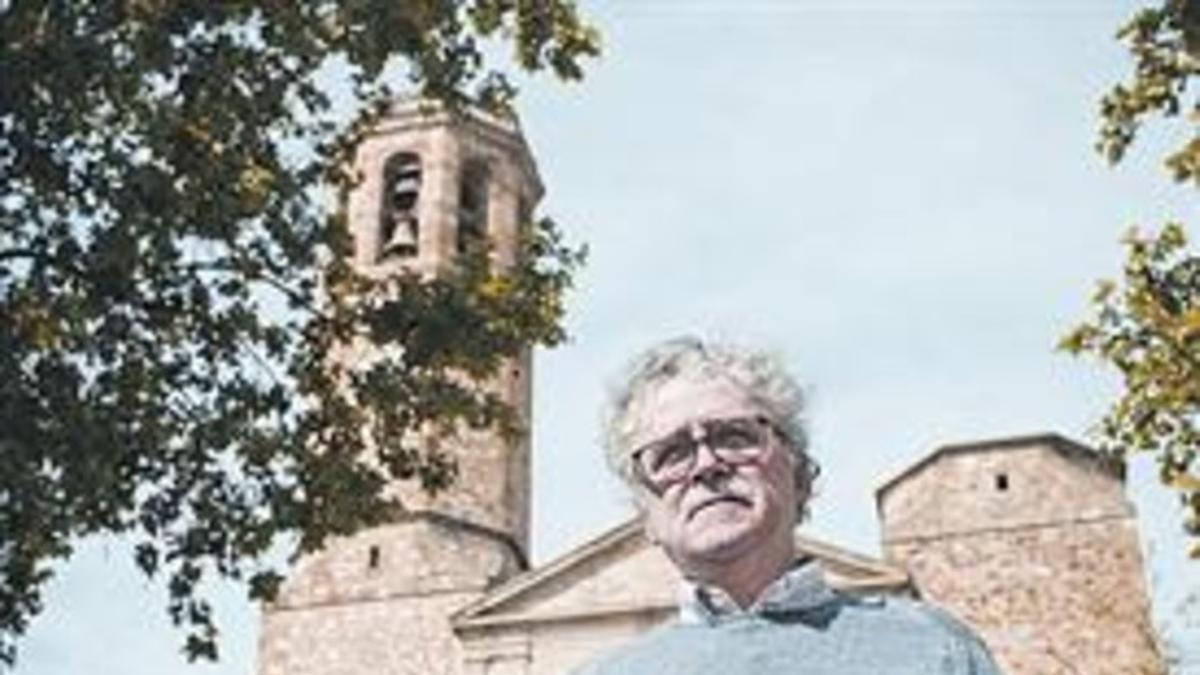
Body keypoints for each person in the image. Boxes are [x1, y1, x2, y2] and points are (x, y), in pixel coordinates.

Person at [572, 337, 1001, 674]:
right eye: (671, 454)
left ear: (799, 473)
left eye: (734, 437)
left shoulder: (933, 649)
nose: (706, 464)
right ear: (646, 516)